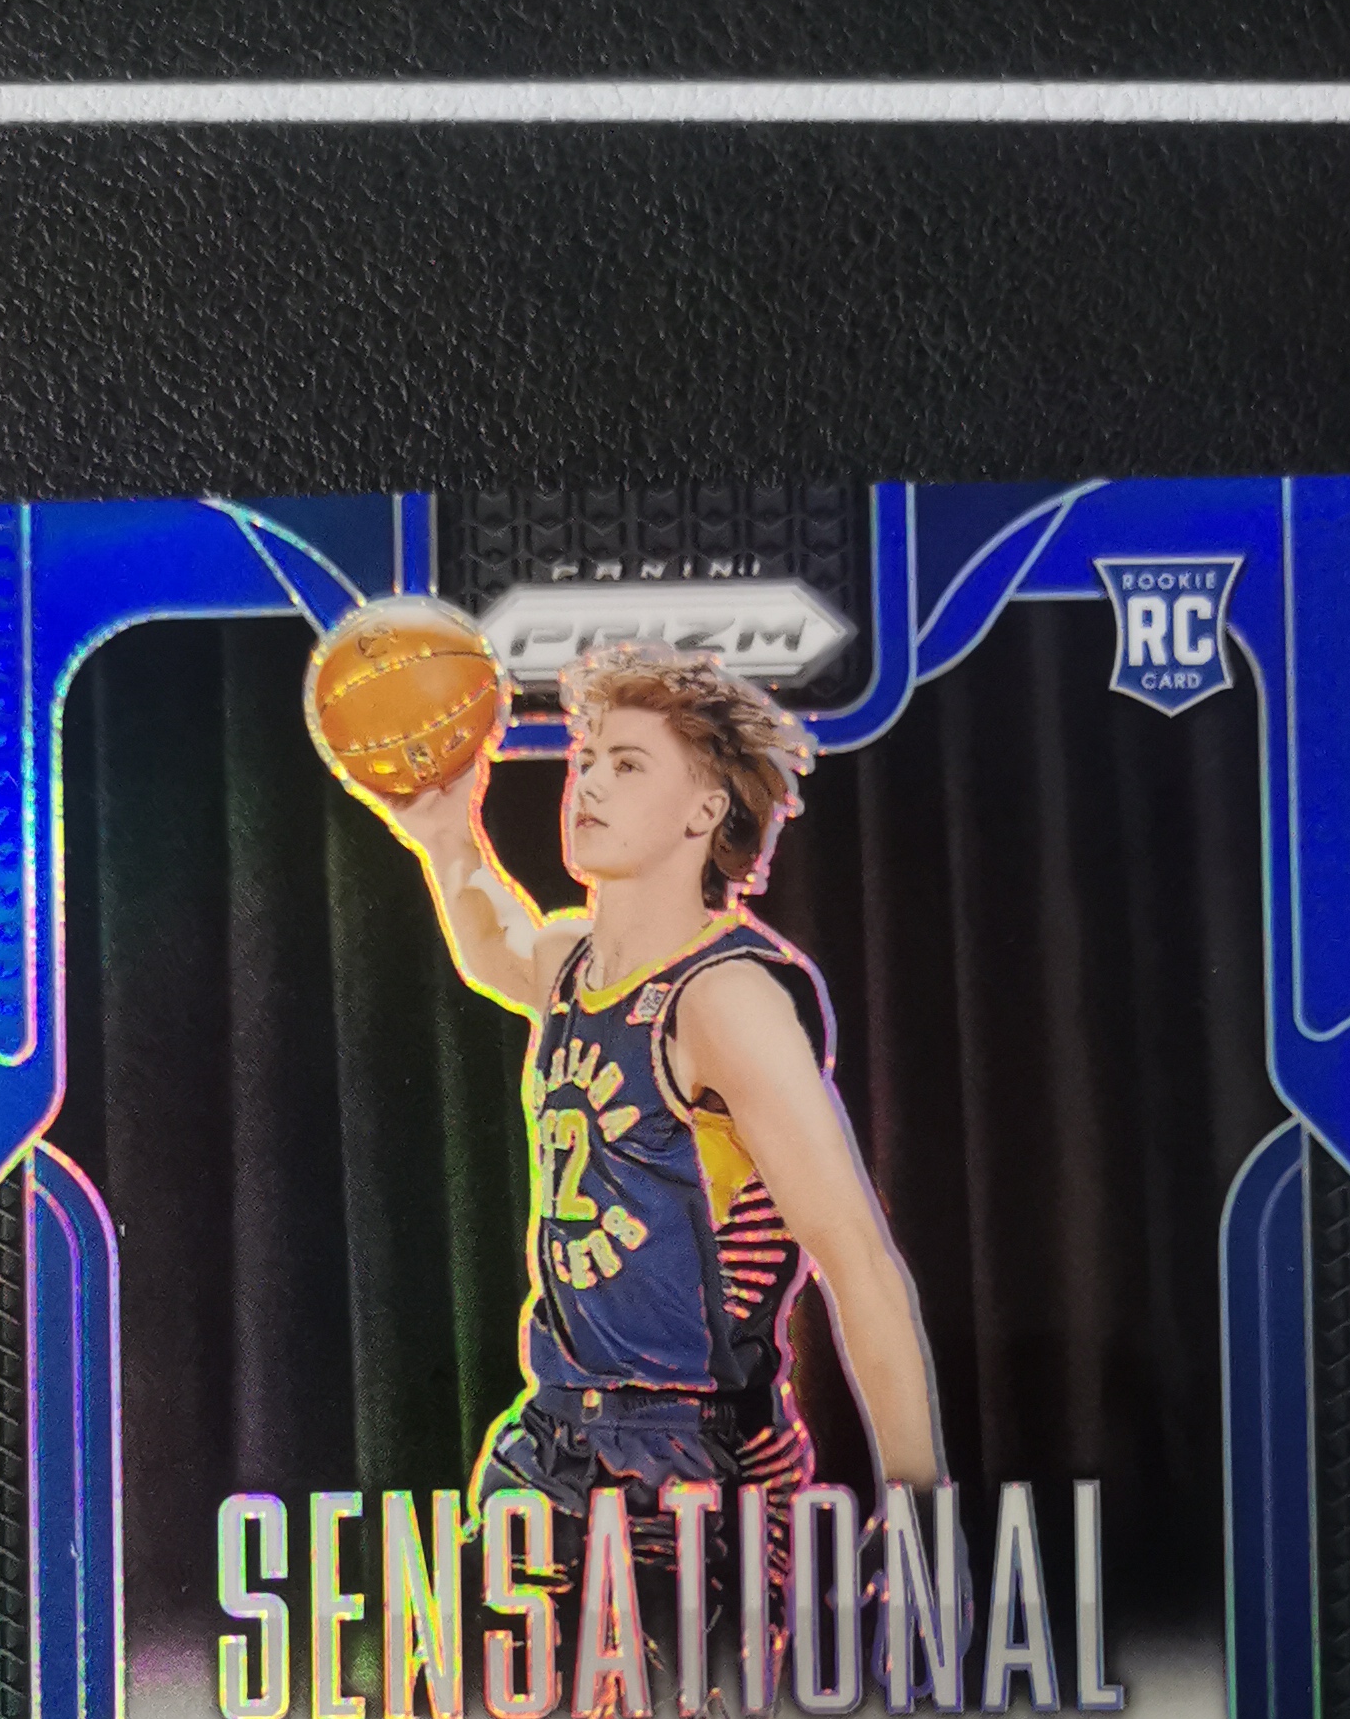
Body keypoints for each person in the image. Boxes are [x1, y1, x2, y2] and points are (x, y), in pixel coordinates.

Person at [377, 642, 941, 1616]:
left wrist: (922, 1509)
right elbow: (494, 940)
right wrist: (445, 834)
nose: (588, 781)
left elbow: (857, 1259)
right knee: (463, 1707)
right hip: (552, 1437)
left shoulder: (727, 998)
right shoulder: (571, 959)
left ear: (704, 810)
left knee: (671, 1713)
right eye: (588, 757)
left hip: (692, 1456)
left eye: (627, 764)